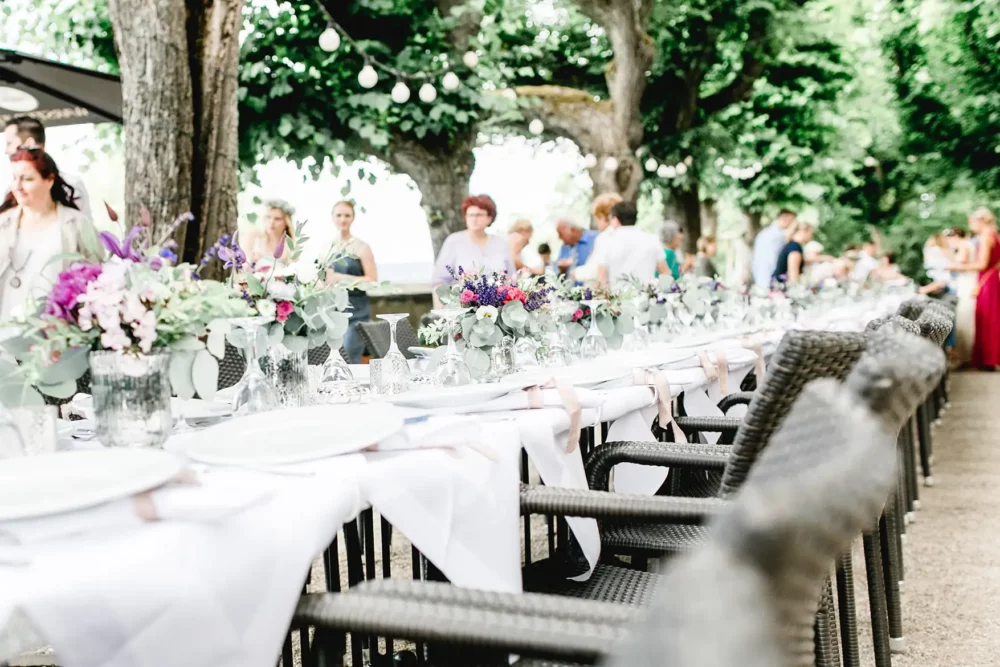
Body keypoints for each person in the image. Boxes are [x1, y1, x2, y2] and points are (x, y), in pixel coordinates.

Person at [0, 148, 93, 321]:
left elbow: (95, 275)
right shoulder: (3, 223)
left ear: (49, 180)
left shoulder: (77, 224)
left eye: (27, 179)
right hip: (5, 328)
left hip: (56, 330)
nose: (18, 186)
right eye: (14, 178)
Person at [3, 116, 91, 220]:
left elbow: (84, 230)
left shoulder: (71, 185)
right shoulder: (12, 189)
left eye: (9, 143)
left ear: (29, 144)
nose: (6, 150)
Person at [431, 194, 515, 297]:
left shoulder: (501, 243)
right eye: (470, 215)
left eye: (479, 215)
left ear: (489, 217)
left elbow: (512, 280)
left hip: (498, 306)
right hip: (462, 308)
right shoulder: (454, 241)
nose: (474, 219)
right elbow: (439, 281)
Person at [325, 200, 377, 364]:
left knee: (349, 356)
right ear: (332, 218)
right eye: (339, 215)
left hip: (357, 313)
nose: (342, 219)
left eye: (347, 215)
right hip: (332, 312)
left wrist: (343, 279)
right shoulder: (328, 247)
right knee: (332, 360)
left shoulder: (362, 247)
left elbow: (372, 280)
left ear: (353, 218)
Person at [949, 207, 1000, 370]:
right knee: (990, 317)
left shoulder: (985, 237)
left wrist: (959, 268)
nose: (970, 226)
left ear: (981, 221)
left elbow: (982, 264)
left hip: (985, 281)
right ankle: (988, 358)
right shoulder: (994, 235)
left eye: (971, 222)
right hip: (991, 279)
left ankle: (987, 359)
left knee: (986, 318)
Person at [596, 202, 668, 286]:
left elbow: (602, 277)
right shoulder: (652, 240)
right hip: (646, 297)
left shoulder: (607, 241)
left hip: (617, 297)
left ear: (615, 220)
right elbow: (665, 273)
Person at [573, 192, 622, 283]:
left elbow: (595, 269)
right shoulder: (625, 235)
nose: (596, 223)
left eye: (597, 218)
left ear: (603, 217)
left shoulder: (605, 237)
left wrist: (576, 273)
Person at [751, 209, 796, 288]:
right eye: (791, 221)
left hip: (763, 271)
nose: (791, 224)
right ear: (784, 218)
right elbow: (789, 236)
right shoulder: (775, 233)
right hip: (767, 272)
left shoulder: (766, 232)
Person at [245, 198, 294, 267]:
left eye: (277, 219)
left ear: (286, 222)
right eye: (268, 217)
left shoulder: (291, 245)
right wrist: (251, 260)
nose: (271, 222)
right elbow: (242, 269)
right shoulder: (255, 237)